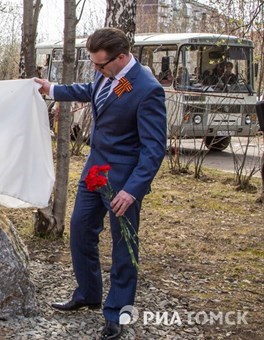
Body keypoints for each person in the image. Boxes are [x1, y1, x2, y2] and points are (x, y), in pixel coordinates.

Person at [35, 28, 167, 340]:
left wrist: (133, 190)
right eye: (94, 65)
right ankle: (88, 293)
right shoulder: (105, 73)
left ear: (121, 57)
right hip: (96, 169)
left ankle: (117, 313)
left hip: (123, 180)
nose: (97, 70)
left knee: (124, 246)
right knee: (80, 229)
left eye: (101, 65)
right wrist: (52, 88)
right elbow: (91, 90)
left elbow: (153, 149)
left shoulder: (147, 89)